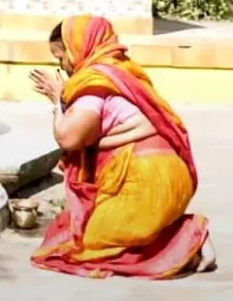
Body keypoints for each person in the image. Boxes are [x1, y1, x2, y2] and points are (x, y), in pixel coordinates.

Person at [28, 15, 217, 279]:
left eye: (62, 58)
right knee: (81, 230)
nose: (63, 66)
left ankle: (189, 236)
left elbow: (68, 138)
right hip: (165, 177)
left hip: (149, 180)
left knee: (90, 244)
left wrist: (56, 99)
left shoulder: (94, 83)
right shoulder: (121, 70)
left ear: (78, 49)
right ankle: (172, 231)